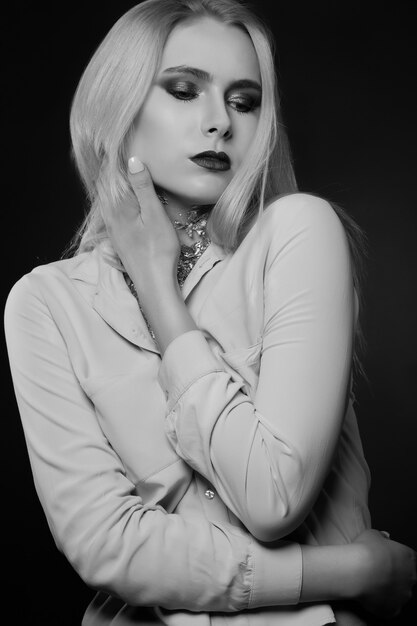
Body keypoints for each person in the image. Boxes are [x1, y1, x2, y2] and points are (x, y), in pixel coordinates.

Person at [4, 0, 416, 624]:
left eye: (244, 101)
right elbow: (107, 545)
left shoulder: (297, 235)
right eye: (184, 90)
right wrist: (347, 571)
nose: (219, 122)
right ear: (119, 106)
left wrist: (160, 295)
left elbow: (271, 497)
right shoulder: (45, 303)